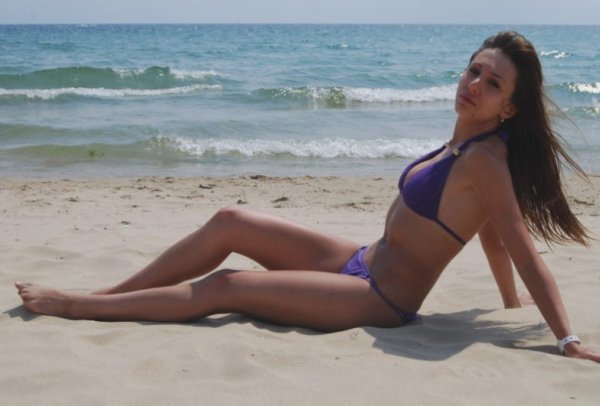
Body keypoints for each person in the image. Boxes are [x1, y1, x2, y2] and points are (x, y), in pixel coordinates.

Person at [15, 31, 599, 362]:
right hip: (358, 261)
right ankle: (110, 294)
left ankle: (79, 306)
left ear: (509, 107)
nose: (473, 85)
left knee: (228, 286)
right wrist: (508, 302)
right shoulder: (463, 142)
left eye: (492, 83)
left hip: (380, 299)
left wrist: (566, 339)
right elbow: (489, 232)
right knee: (231, 219)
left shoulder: (486, 161)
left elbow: (519, 246)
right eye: (473, 71)